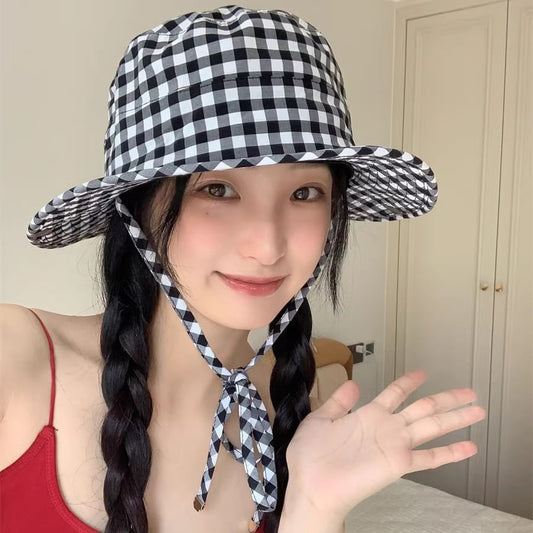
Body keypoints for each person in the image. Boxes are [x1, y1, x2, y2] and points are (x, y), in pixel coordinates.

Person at [0, 5, 486, 533]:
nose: (267, 246)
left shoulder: (291, 398)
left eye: (306, 193)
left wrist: (316, 509)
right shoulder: (17, 357)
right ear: (137, 208)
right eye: (218, 189)